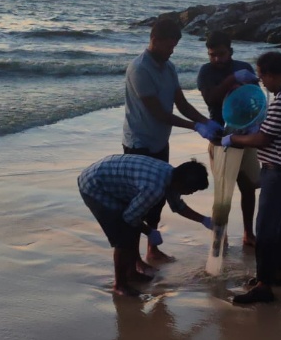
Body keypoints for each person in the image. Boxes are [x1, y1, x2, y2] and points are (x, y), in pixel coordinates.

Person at [122, 18, 221, 263]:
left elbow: (182, 104)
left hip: (159, 141)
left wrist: (205, 121)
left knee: (159, 197)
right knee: (139, 201)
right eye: (169, 45)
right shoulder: (139, 69)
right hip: (139, 143)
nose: (172, 51)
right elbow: (158, 113)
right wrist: (195, 127)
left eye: (175, 46)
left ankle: (151, 250)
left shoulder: (169, 68)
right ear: (154, 40)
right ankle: (134, 258)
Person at [221, 51, 281, 304]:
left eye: (262, 77)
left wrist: (234, 138)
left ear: (273, 74)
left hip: (280, 170)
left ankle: (263, 285)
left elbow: (263, 138)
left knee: (266, 227)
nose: (262, 83)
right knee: (277, 222)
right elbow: (270, 131)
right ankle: (277, 273)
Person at [78, 154, 212, 297]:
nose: (191, 193)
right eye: (192, 190)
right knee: (123, 236)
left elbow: (177, 206)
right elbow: (129, 217)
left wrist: (204, 220)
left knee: (133, 227)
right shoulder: (154, 188)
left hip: (111, 179)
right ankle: (119, 285)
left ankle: (132, 272)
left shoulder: (170, 174)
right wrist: (149, 232)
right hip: (94, 186)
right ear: (182, 183)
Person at [196, 30, 261, 246]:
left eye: (221, 54)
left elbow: (257, 99)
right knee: (223, 191)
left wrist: (256, 124)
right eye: (212, 55)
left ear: (230, 51)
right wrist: (232, 80)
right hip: (219, 136)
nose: (216, 59)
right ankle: (220, 236)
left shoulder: (245, 68)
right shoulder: (205, 72)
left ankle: (248, 233)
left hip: (246, 134)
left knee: (248, 186)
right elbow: (211, 98)